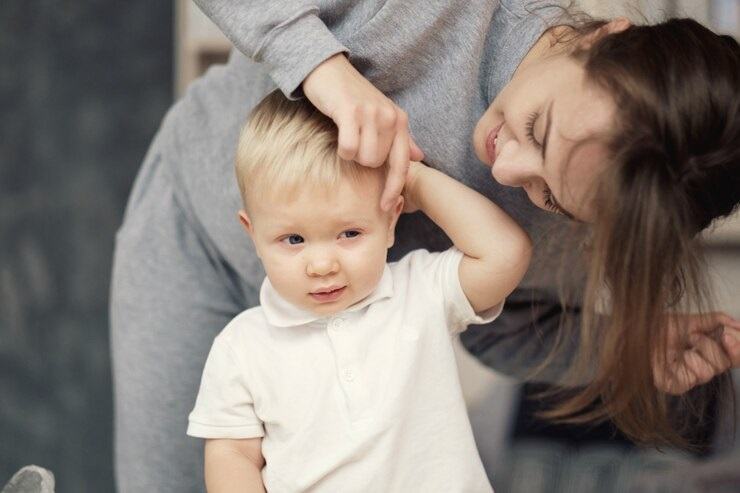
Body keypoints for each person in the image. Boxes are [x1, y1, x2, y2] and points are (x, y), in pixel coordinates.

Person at [110, 1, 740, 491]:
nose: (505, 172)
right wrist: (317, 64)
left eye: (548, 196)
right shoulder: (438, 15)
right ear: (602, 37)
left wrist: (616, 346)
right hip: (197, 242)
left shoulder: (592, 215)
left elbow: (498, 325)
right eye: (538, 127)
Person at [186, 90, 530, 492]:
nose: (322, 265)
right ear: (254, 234)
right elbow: (233, 455)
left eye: (349, 233)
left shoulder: (420, 292)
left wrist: (412, 179)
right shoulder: (241, 347)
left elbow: (505, 254)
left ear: (390, 220)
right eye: (293, 239)